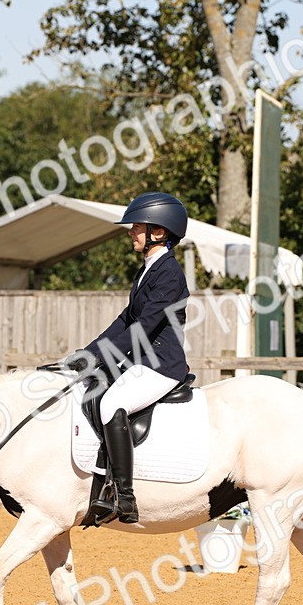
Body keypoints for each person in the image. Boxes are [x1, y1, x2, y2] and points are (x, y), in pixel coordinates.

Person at [60, 192, 191, 523]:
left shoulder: (169, 273)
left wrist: (103, 357)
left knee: (110, 405)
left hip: (161, 366)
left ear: (158, 232)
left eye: (136, 227)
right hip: (141, 363)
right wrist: (88, 353)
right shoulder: (149, 269)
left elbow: (146, 327)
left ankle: (124, 496)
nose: (131, 232)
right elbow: (125, 321)